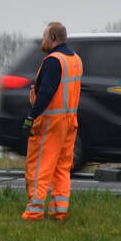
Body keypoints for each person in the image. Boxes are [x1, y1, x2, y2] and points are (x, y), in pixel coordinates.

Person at [20, 22, 82, 220]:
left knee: (40, 165)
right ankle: (59, 210)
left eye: (45, 36)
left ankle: (34, 211)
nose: (42, 40)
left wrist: (32, 116)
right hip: (70, 120)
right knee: (62, 166)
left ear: (53, 38)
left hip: (50, 121)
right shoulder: (75, 59)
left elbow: (46, 92)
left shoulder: (54, 61)